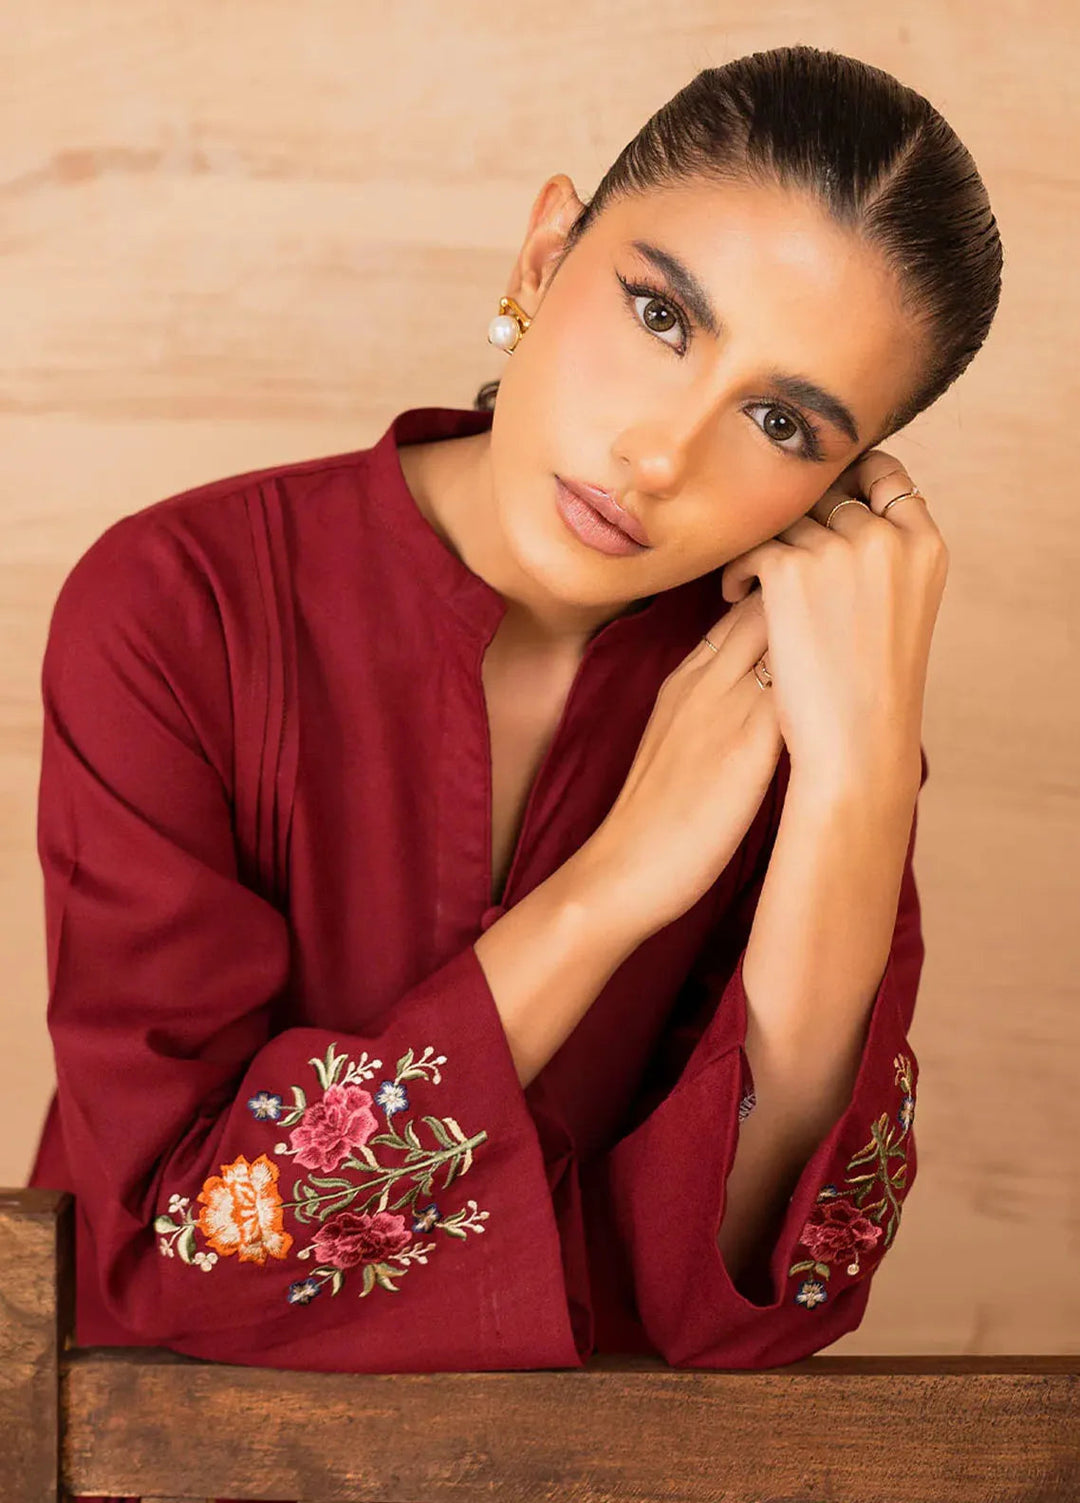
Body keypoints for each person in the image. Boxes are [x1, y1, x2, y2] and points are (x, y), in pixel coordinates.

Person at [25, 40, 1001, 1501]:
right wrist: (612, 890)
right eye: (662, 315)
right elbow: (189, 1241)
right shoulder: (181, 606)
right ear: (546, 255)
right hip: (151, 1464)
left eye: (781, 422)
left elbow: (758, 1298)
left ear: (841, 490)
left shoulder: (808, 712)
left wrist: (857, 790)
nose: (661, 454)